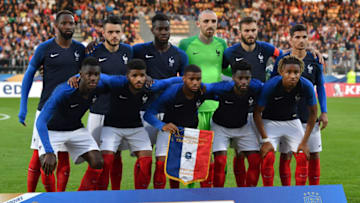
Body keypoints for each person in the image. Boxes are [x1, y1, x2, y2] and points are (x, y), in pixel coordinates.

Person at [18, 10, 85, 192]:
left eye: (71, 23)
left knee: (62, 157)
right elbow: (29, 74)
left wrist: (78, 75)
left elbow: (89, 72)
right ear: (56, 26)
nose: (68, 26)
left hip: (69, 112)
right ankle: (30, 196)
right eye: (64, 23)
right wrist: (23, 106)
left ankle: (59, 198)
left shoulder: (80, 49)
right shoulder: (44, 48)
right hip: (46, 111)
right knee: (39, 158)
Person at [144, 64, 235, 189]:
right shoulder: (172, 92)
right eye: (191, 79)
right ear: (183, 79)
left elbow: (223, 92)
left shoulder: (203, 91)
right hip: (170, 131)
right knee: (161, 165)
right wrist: (162, 125)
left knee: (206, 164)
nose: (195, 82)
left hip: (191, 132)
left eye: (198, 79)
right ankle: (162, 196)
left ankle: (207, 197)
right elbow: (148, 114)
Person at [96, 59, 182, 190]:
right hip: (112, 127)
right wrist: (78, 76)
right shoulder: (117, 82)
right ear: (127, 76)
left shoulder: (150, 85)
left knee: (146, 161)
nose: (139, 79)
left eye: (142, 75)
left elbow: (171, 81)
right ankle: (103, 196)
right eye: (134, 76)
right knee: (106, 161)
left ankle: (140, 196)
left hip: (135, 127)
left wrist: (196, 83)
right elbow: (98, 75)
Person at [133, 12, 188, 189]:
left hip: (170, 113)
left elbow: (186, 81)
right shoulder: (139, 50)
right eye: (160, 29)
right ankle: (140, 197)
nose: (164, 32)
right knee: (145, 160)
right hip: (144, 110)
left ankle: (167, 197)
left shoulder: (179, 55)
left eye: (166, 28)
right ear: (152, 30)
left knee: (164, 161)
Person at [36, 57, 105, 191]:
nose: (93, 78)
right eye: (89, 74)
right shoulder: (64, 91)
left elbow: (119, 81)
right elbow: (41, 122)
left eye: (96, 75)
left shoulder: (100, 85)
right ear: (81, 74)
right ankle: (53, 199)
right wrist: (49, 152)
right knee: (47, 162)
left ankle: (79, 197)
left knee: (98, 162)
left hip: (76, 129)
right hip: (53, 130)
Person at [271, 24, 328, 186]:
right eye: (297, 37)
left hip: (308, 116)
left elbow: (321, 87)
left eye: (304, 37)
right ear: (290, 39)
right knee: (286, 155)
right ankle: (287, 192)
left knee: (314, 154)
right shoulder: (282, 60)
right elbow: (273, 85)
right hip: (286, 117)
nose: (301, 40)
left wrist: (324, 111)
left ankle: (312, 192)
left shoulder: (315, 59)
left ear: (308, 39)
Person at [178, 9, 228, 188]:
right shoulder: (185, 44)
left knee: (218, 155)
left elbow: (227, 69)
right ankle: (191, 194)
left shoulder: (222, 44)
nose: (210, 25)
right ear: (198, 23)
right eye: (206, 21)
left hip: (216, 107)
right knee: (192, 153)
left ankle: (213, 193)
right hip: (193, 108)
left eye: (213, 22)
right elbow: (178, 69)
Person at [253, 55, 318, 186]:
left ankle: (299, 194)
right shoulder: (271, 85)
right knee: (269, 156)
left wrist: (304, 142)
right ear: (281, 72)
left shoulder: (306, 85)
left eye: (296, 72)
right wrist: (265, 140)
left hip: (292, 121)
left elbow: (313, 114)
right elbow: (257, 113)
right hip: (270, 121)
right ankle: (269, 194)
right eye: (289, 72)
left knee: (302, 155)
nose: (293, 76)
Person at [86, 15, 133, 190]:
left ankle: (115, 193)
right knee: (95, 155)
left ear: (122, 33)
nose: (114, 35)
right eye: (111, 32)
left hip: (120, 111)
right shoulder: (94, 52)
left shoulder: (128, 51)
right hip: (98, 110)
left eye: (117, 32)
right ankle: (96, 193)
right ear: (103, 33)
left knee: (117, 154)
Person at [210, 60, 263, 187]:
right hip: (220, 127)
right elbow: (203, 89)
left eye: (247, 78)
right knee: (220, 162)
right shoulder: (222, 88)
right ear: (233, 77)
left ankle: (249, 195)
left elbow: (272, 87)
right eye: (240, 78)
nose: (244, 81)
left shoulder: (256, 87)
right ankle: (219, 196)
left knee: (255, 160)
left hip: (243, 126)